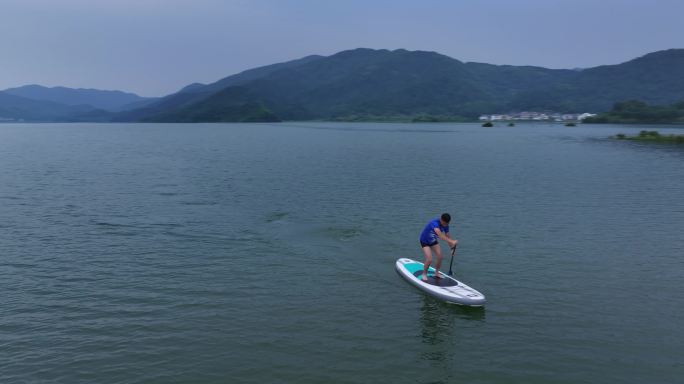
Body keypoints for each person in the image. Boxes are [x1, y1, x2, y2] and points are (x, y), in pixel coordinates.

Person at [419, 213, 458, 282]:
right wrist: (452, 242)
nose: (446, 225)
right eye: (445, 223)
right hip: (424, 241)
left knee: (440, 257)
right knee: (429, 259)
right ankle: (424, 274)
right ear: (441, 220)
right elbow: (440, 235)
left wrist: (452, 248)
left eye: (447, 223)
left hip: (433, 240)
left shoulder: (446, 225)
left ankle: (436, 272)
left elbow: (447, 236)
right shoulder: (434, 223)